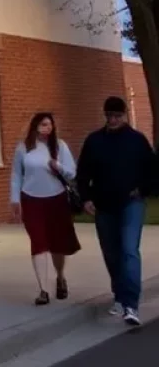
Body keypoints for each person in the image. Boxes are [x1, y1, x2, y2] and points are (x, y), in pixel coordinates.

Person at [76, 95, 156, 328]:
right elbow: (83, 173)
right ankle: (120, 295)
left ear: (125, 115)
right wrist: (86, 198)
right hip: (104, 205)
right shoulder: (94, 141)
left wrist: (143, 189)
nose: (113, 120)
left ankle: (131, 303)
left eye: (117, 116)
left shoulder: (137, 140)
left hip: (131, 203)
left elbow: (152, 170)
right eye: (109, 116)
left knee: (129, 250)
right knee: (112, 254)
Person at [10, 112, 80, 305]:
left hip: (56, 199)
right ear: (34, 127)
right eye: (43, 124)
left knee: (57, 244)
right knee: (38, 242)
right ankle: (43, 289)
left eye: (49, 125)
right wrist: (14, 200)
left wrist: (57, 166)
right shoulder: (24, 148)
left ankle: (60, 277)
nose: (46, 128)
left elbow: (72, 173)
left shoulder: (59, 146)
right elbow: (16, 175)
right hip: (31, 199)